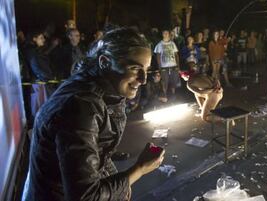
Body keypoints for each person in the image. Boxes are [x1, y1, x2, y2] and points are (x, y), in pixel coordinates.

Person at [23, 27, 165, 201]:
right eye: (134, 68)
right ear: (105, 62)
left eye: (146, 69)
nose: (143, 79)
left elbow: (100, 154)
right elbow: (85, 197)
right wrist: (139, 170)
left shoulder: (102, 89)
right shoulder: (81, 107)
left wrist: (121, 184)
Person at [154, 30, 180, 97]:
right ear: (162, 34)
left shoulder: (172, 43)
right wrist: (160, 68)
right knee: (164, 83)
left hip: (173, 66)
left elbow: (176, 54)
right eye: (164, 33)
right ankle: (164, 96)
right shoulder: (159, 44)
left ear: (169, 34)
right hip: (164, 67)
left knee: (173, 82)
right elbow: (158, 56)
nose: (165, 34)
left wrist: (178, 66)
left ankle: (173, 96)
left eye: (167, 33)